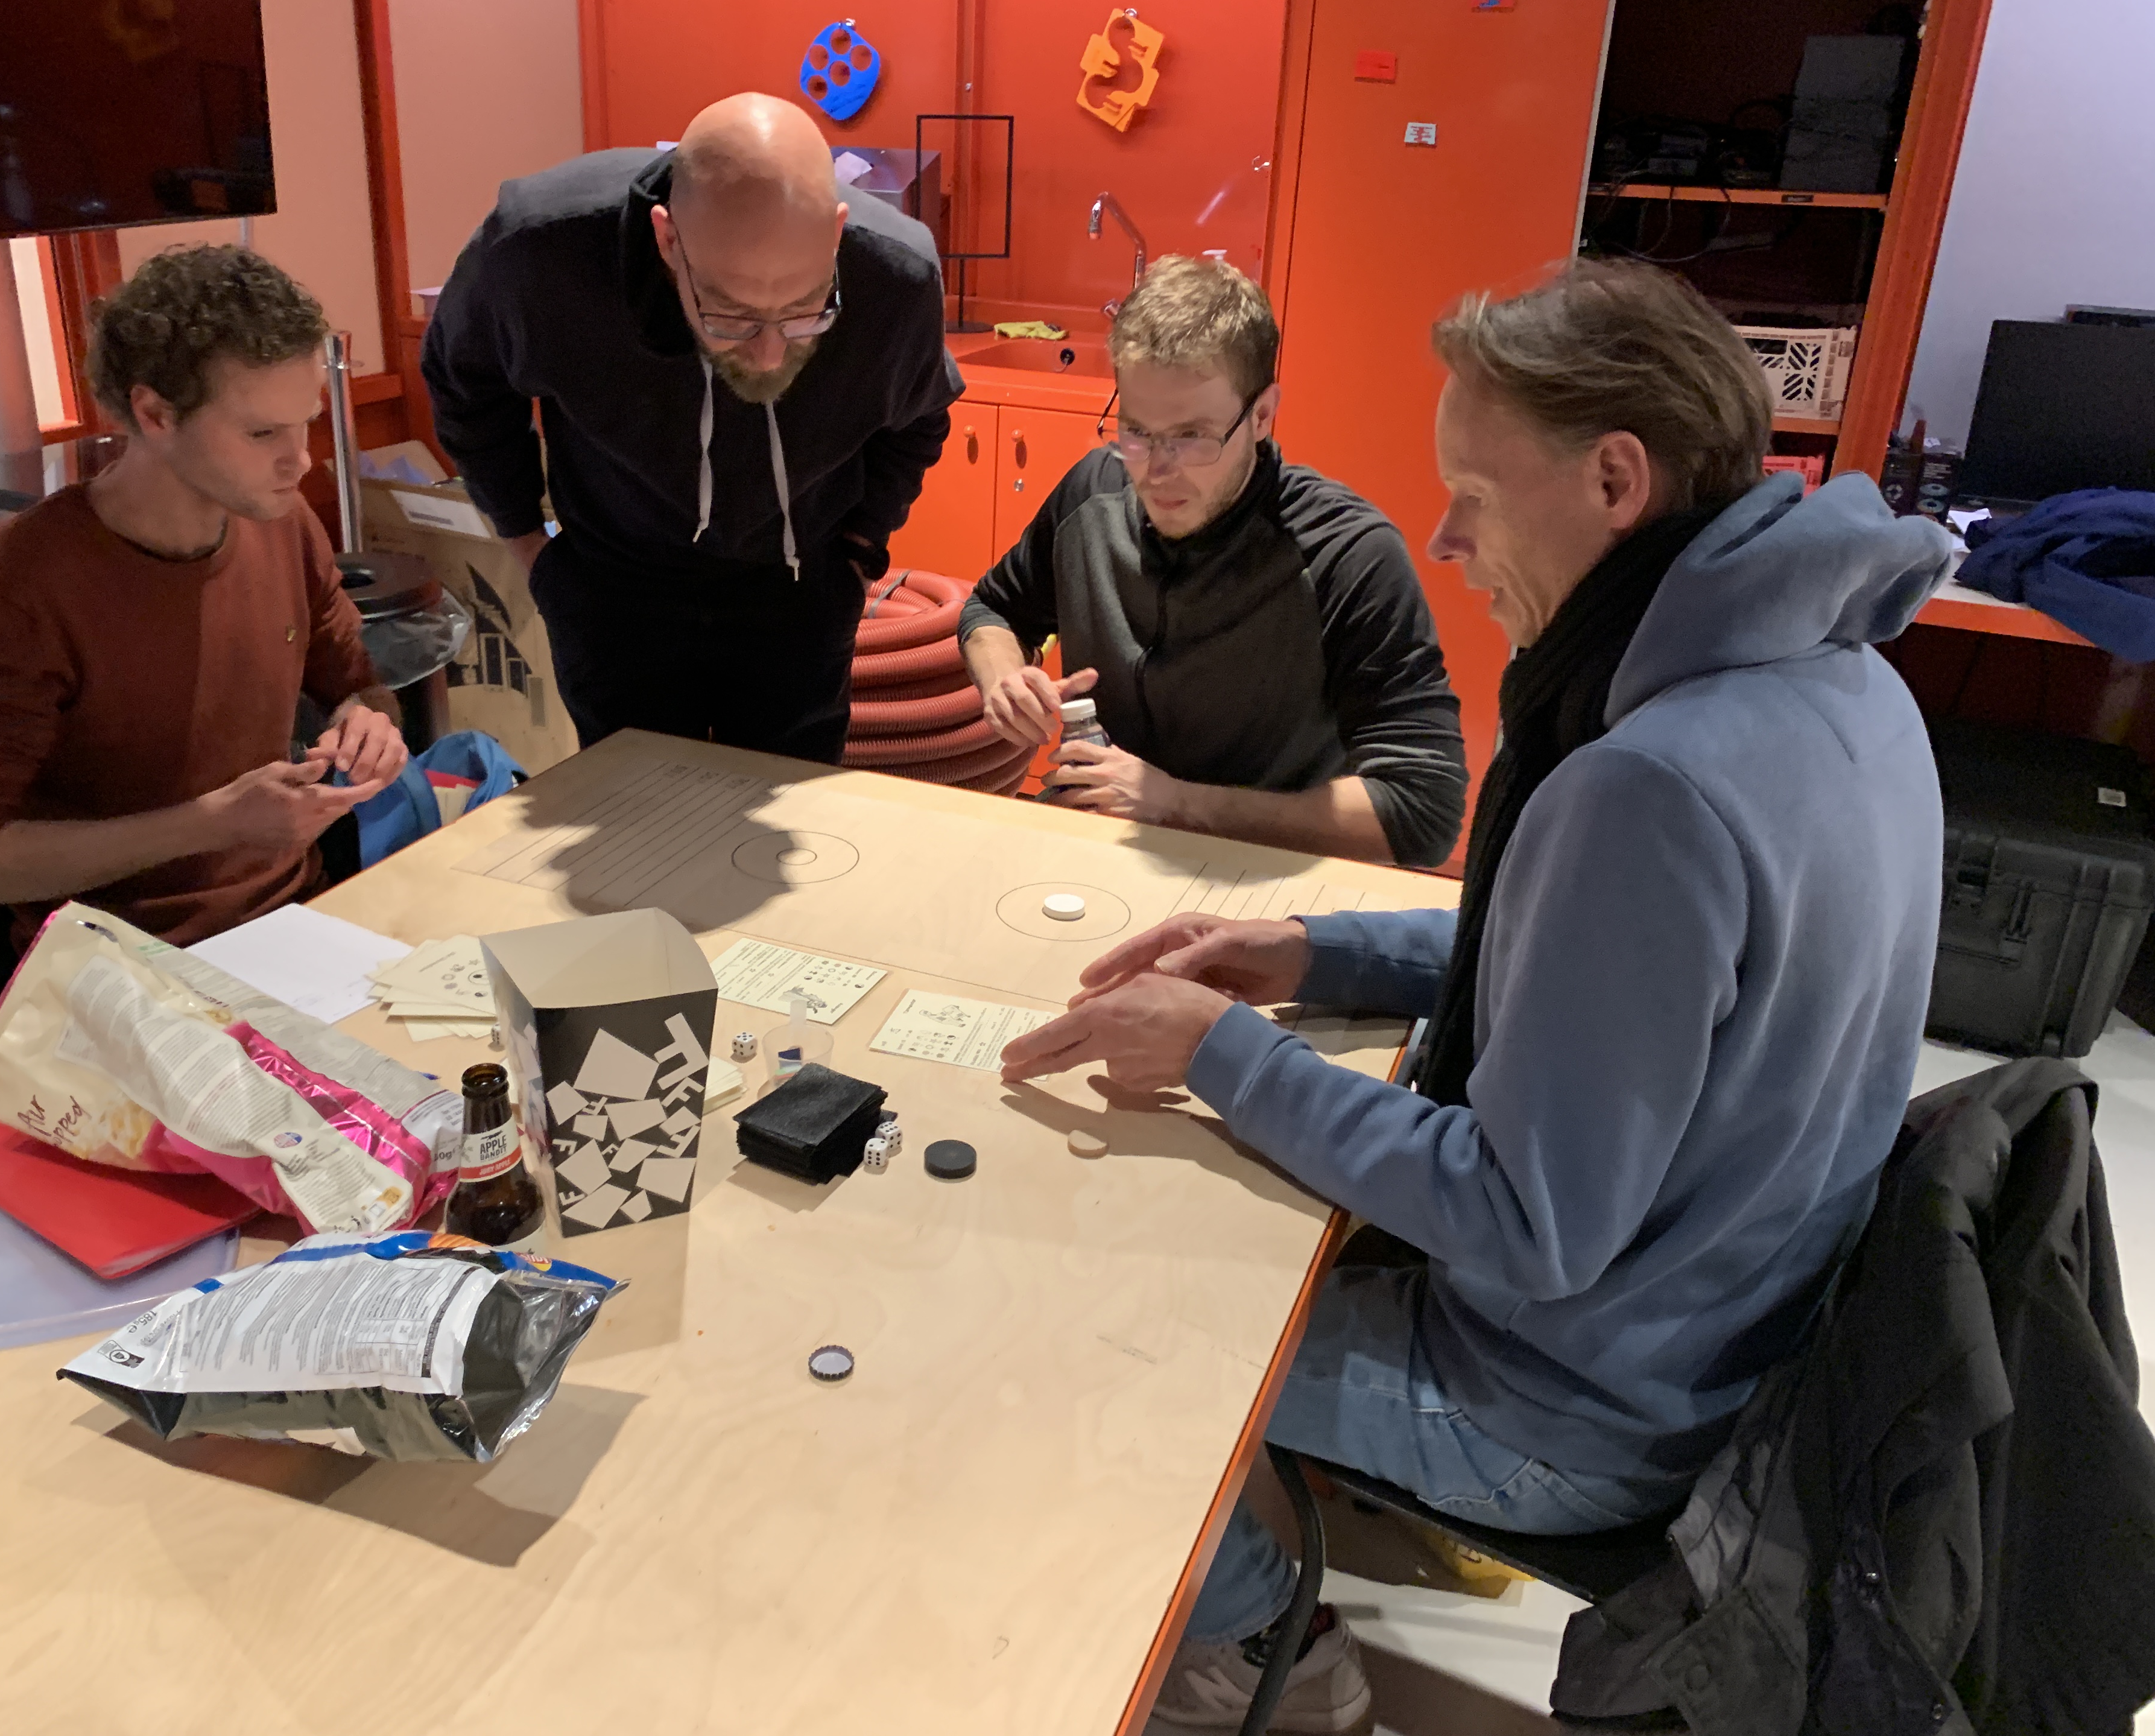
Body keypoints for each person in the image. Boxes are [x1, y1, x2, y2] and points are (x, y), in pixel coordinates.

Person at [998, 260, 1955, 1732]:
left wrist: (1225, 1052)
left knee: (1083, 1311)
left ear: (1615, 481)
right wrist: (1313, 952)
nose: (1444, 539)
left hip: (1576, 1415)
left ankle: (1267, 1654)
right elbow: (1595, 963)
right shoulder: (1847, 683)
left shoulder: (1652, 784)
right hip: (1733, 1346)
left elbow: (1523, 1220)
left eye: (1476, 498)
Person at [421, 92, 958, 765]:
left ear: (836, 234)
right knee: (632, 805)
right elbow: (464, 383)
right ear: (668, 239)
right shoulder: (540, 250)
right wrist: (530, 546)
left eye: (803, 311)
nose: (769, 354)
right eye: (730, 314)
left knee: (792, 808)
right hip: (614, 586)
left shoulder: (897, 274)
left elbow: (920, 416)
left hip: (798, 587)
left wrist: (860, 549)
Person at [0, 244, 407, 948]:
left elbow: (355, 684)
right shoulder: (18, 582)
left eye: (307, 422)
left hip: (295, 920)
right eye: (262, 432)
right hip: (121, 958)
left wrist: (369, 724)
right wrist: (214, 823)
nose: (300, 459)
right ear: (156, 414)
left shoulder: (284, 523)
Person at [960, 255, 1465, 865]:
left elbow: (1423, 810)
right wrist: (1005, 679)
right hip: (1094, 851)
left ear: (1262, 416)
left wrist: (1177, 804)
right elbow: (993, 608)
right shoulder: (1092, 495)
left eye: (1192, 436)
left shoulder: (1348, 554)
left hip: (1260, 880)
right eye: (1136, 432)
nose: (1156, 470)